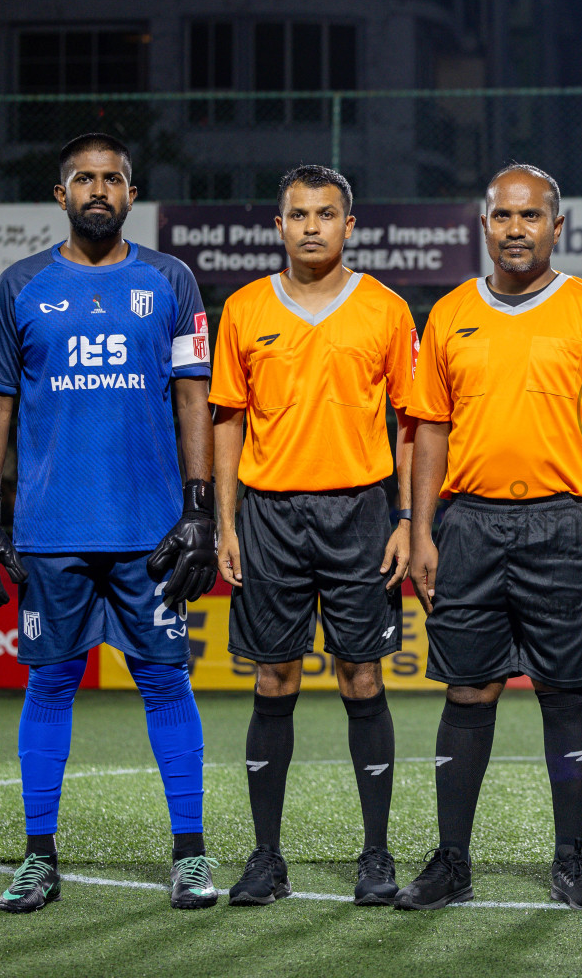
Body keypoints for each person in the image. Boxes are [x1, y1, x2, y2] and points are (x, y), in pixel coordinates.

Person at [0, 133, 218, 912]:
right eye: (84, 179)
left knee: (167, 682)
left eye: (112, 179)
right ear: (61, 194)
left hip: (150, 533)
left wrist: (201, 507)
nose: (98, 190)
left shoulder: (171, 280)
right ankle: (39, 858)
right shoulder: (21, 285)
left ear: (131, 195)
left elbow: (192, 398)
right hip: (54, 530)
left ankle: (191, 856)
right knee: (51, 684)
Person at [398, 164, 582, 912]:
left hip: (564, 525)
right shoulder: (448, 314)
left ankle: (572, 861)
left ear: (556, 225)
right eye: (503, 216)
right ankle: (451, 861)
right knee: (467, 690)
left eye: (530, 217)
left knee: (563, 691)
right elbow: (429, 432)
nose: (516, 229)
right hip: (471, 525)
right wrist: (419, 529)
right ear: (486, 224)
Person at [209, 165, 416, 907]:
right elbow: (227, 420)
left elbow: (412, 424)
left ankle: (377, 856)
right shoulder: (242, 308)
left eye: (325, 214)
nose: (311, 226)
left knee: (363, 678)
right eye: (297, 214)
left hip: (360, 513)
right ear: (278, 225)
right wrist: (225, 523)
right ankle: (266, 859)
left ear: (348, 226)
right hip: (268, 516)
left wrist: (405, 517)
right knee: (275, 680)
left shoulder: (387, 311)